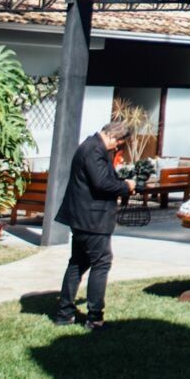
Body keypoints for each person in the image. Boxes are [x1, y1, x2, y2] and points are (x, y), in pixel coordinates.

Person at [52, 119, 137, 331]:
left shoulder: (89, 146)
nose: (117, 147)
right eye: (118, 143)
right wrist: (126, 186)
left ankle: (65, 313)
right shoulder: (94, 150)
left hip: (82, 218)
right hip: (92, 220)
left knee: (78, 263)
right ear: (113, 136)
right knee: (101, 263)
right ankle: (94, 317)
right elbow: (102, 183)